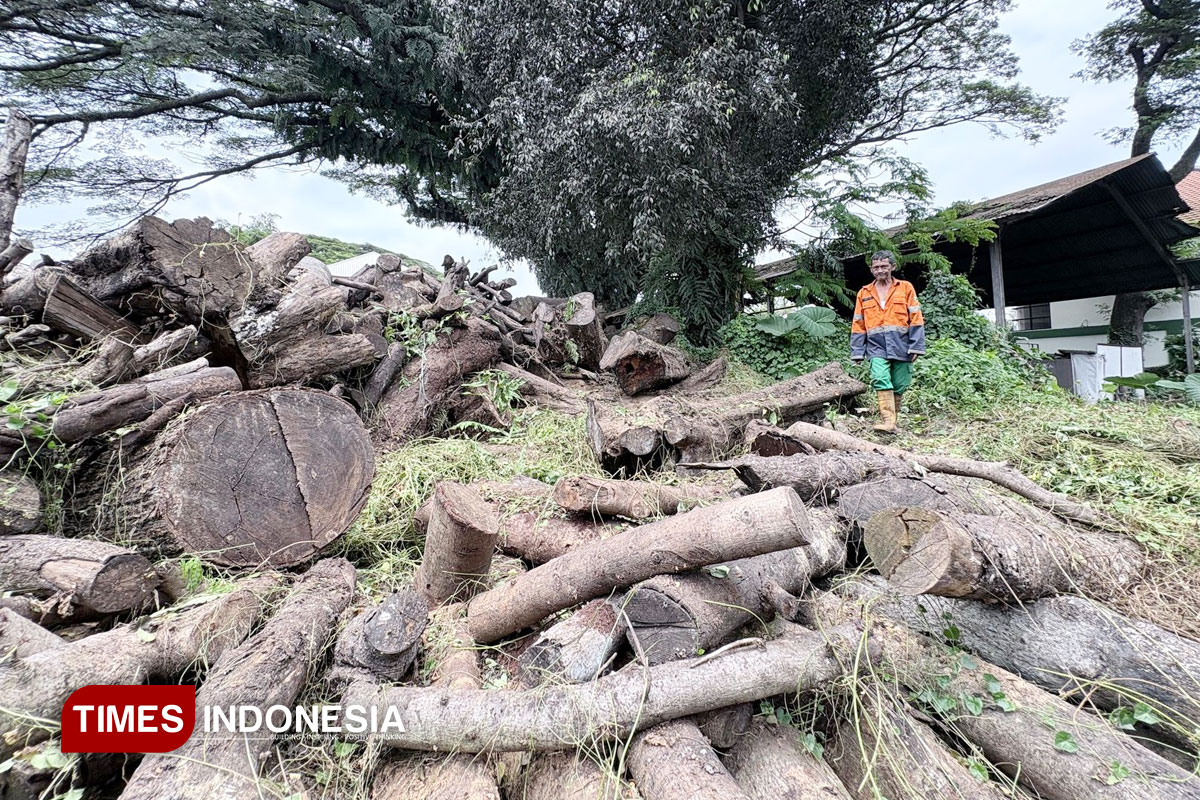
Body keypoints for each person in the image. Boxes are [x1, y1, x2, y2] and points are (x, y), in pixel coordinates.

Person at [849, 250, 925, 432]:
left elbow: (916, 317)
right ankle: (888, 421)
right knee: (880, 377)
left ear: (893, 267)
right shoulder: (864, 293)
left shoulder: (905, 288)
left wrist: (916, 346)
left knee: (900, 383)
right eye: (876, 267)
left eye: (884, 266)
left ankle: (893, 421)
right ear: (871, 270)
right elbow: (858, 322)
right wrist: (857, 351)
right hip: (876, 346)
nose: (880, 270)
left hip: (902, 344)